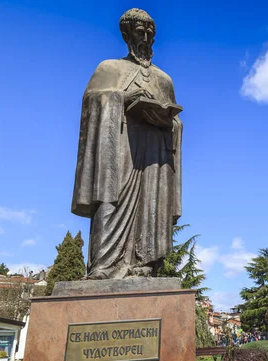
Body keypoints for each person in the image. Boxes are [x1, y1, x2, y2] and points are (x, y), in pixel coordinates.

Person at [72, 8, 183, 279]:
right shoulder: (109, 68)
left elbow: (175, 120)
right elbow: (91, 104)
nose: (145, 37)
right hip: (118, 146)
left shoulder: (163, 79)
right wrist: (123, 98)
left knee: (151, 204)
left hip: (154, 155)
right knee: (111, 198)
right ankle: (104, 266)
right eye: (139, 31)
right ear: (126, 34)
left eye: (150, 32)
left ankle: (142, 264)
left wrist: (167, 119)